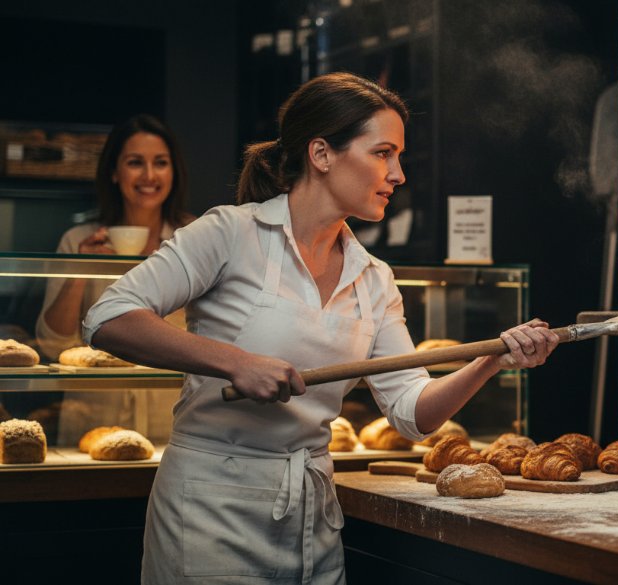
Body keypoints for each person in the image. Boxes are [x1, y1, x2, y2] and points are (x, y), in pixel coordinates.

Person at [83, 72, 559, 584]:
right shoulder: (231, 232)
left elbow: (410, 413)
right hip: (209, 511)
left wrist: (490, 360)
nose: (398, 175)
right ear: (322, 154)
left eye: (398, 157)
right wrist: (235, 362)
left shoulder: (374, 277)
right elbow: (108, 317)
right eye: (383, 153)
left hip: (313, 516)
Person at [34, 114, 193, 446]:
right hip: (92, 424)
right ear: (114, 172)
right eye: (135, 162)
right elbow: (52, 344)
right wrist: (81, 269)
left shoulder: (194, 238)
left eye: (160, 163)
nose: (149, 175)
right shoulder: (78, 240)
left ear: (173, 172)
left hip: (177, 422)